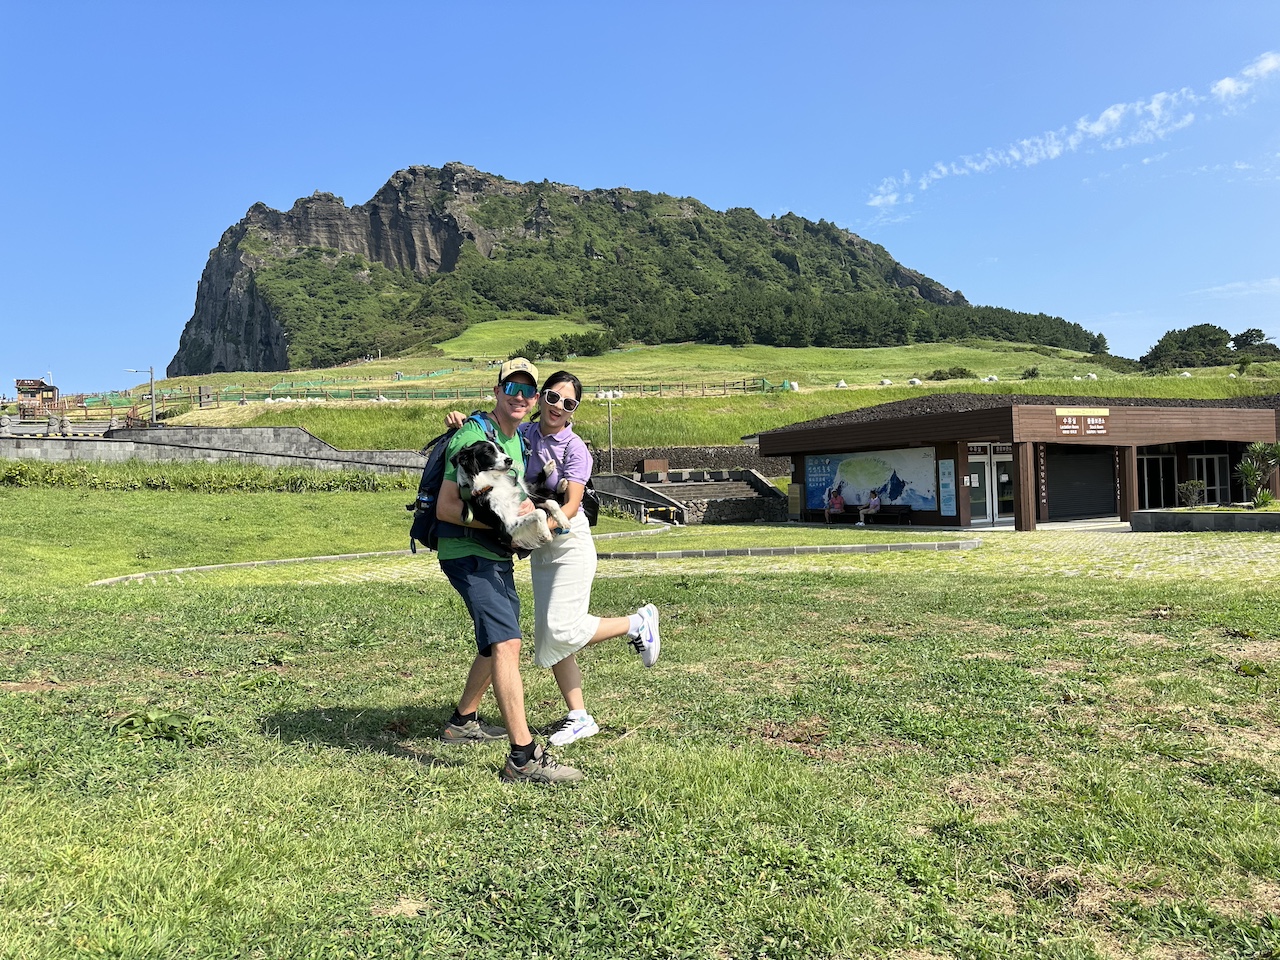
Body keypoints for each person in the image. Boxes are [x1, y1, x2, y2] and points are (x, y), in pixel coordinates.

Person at [447, 369, 661, 748]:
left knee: (560, 630)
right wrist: (464, 425)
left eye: (569, 403)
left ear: (574, 410)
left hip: (564, 537)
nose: (558, 407)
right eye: (552, 397)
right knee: (548, 636)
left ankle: (636, 623)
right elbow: (492, 435)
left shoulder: (574, 448)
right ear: (540, 398)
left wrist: (530, 526)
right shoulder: (525, 434)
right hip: (534, 542)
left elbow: (574, 505)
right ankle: (579, 715)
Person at [434, 357, 583, 784]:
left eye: (527, 391)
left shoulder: (515, 440)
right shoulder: (472, 435)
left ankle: (462, 722)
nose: (519, 397)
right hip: (467, 551)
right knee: (507, 643)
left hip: (496, 554)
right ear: (496, 391)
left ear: (534, 399)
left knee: (496, 640)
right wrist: (506, 527)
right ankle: (522, 756)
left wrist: (521, 526)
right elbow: (447, 508)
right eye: (511, 389)